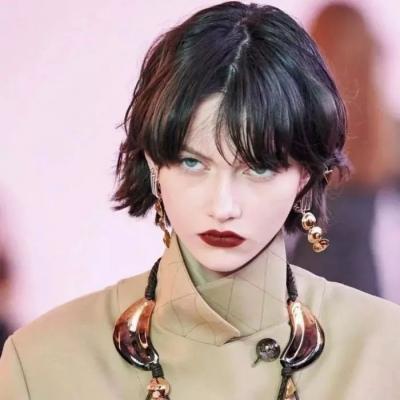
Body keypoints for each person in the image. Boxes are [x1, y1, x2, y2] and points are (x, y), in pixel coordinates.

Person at [1, 2, 399, 399]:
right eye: (192, 162)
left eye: (259, 168)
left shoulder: (386, 353)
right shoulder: (43, 362)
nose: (223, 207)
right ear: (154, 163)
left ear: (305, 175)